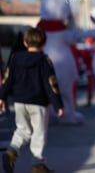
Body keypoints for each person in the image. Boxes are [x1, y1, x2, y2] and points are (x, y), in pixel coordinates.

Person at [0, 27, 64, 173]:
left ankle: (10, 153)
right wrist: (58, 104)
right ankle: (37, 165)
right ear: (44, 43)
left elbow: (7, 79)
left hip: (20, 102)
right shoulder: (44, 60)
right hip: (39, 103)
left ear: (24, 42)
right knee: (39, 133)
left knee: (22, 130)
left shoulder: (15, 58)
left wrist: (1, 97)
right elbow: (51, 83)